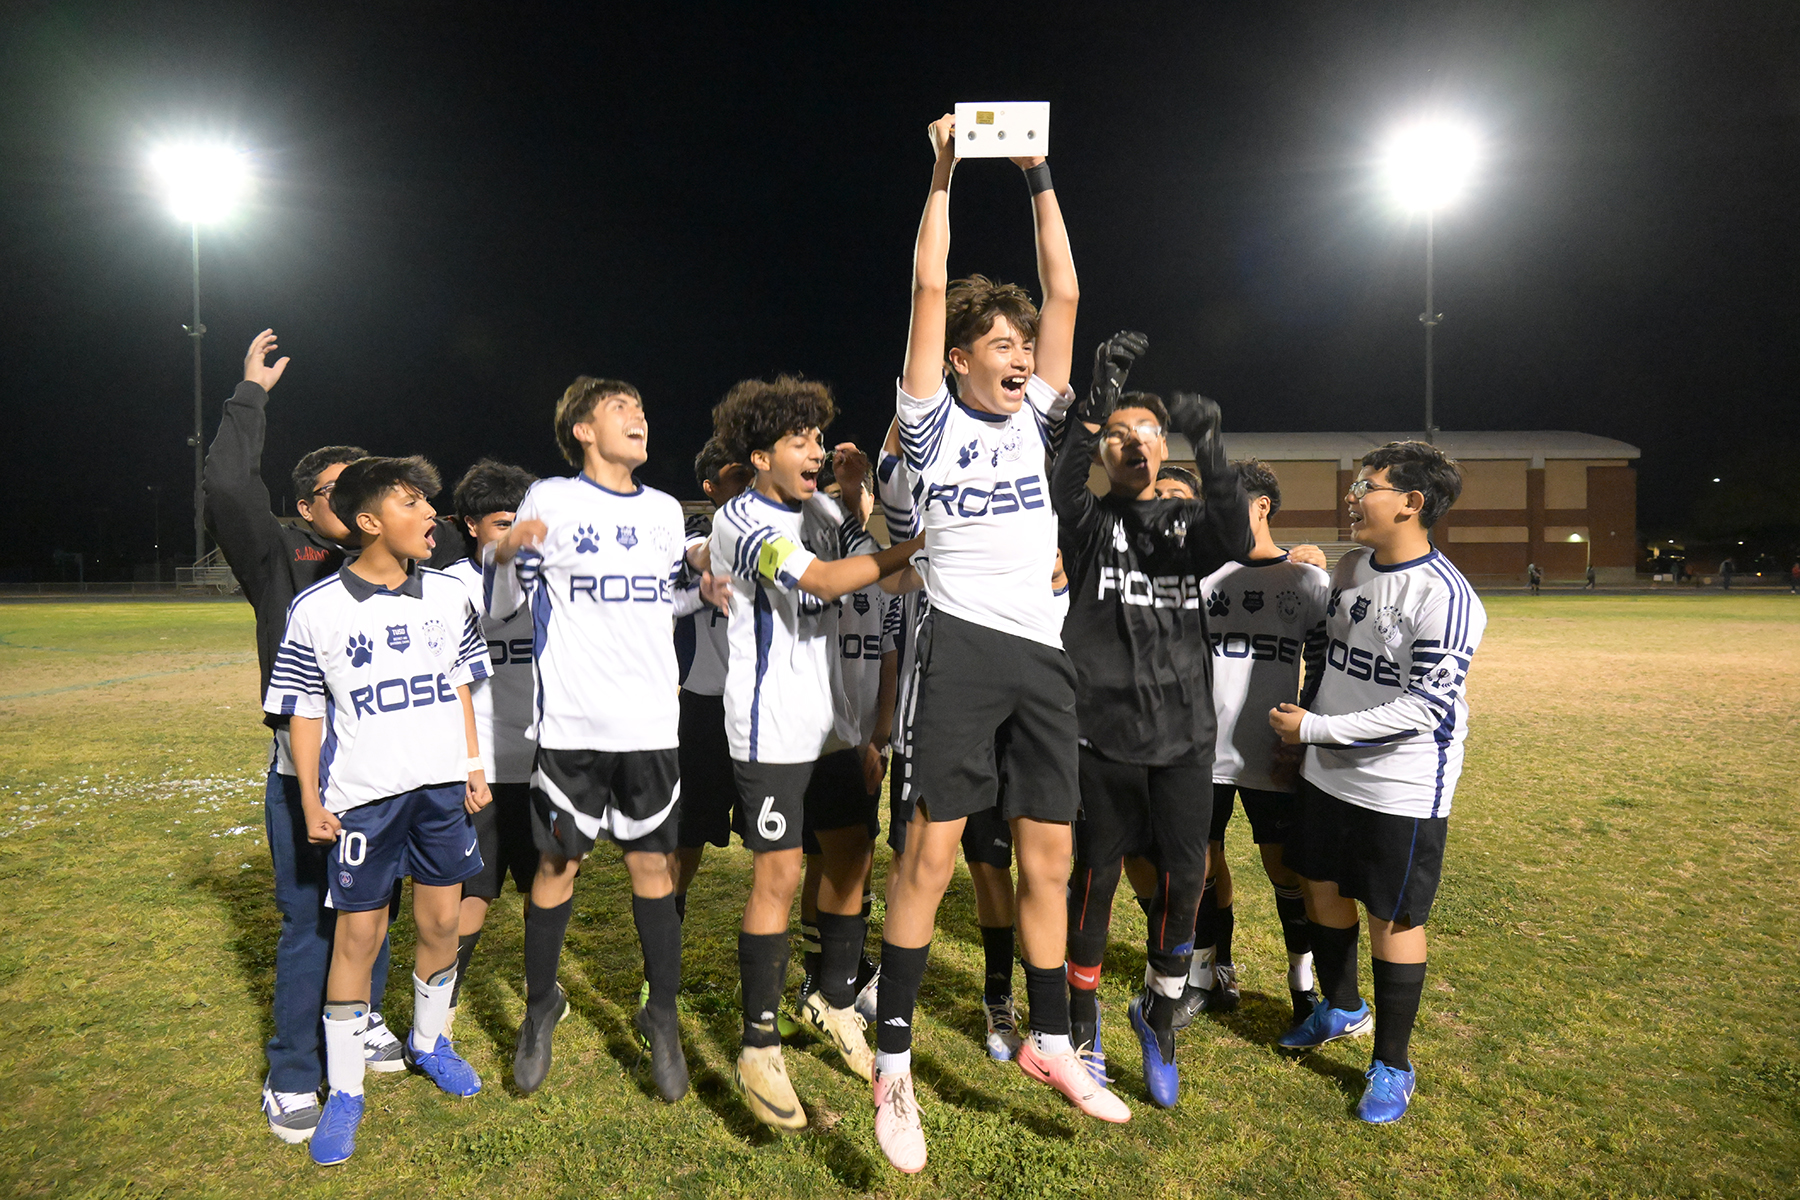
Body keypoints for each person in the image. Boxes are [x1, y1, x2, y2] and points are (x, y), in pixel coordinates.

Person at [874, 111, 1130, 1177]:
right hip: (964, 645)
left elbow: (1065, 292)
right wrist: (942, 171)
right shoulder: (933, 422)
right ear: (963, 360)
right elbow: (929, 290)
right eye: (1003, 346)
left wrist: (1038, 176)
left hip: (1042, 651)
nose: (1022, 356)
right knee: (933, 853)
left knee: (1052, 855)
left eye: (1026, 348)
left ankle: (1051, 1040)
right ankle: (892, 1059)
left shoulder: (1040, 420)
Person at [484, 377, 716, 1102]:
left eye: (643, 408)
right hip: (573, 729)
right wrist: (504, 553)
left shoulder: (661, 512)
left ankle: (662, 1015)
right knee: (557, 871)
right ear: (583, 429)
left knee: (656, 872)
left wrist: (698, 589)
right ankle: (541, 1003)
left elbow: (658, 598)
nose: (639, 416)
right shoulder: (551, 499)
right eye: (622, 408)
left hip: (651, 726)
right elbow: (507, 603)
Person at [204, 329, 409, 1142]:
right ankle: (293, 1068)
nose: (361, 497)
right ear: (306, 508)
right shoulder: (281, 561)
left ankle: (360, 1018)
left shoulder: (403, 565)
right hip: (307, 772)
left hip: (387, 768)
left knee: (374, 908)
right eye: (338, 488)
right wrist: (249, 397)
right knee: (308, 920)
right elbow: (226, 486)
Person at [263, 455, 493, 1166]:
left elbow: (460, 684)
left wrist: (474, 765)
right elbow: (303, 712)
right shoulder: (318, 609)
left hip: (439, 792)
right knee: (356, 941)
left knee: (442, 921)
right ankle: (347, 1092)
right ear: (368, 522)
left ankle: (430, 1042)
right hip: (364, 799)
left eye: (429, 500)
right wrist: (307, 795)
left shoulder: (450, 597)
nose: (430, 512)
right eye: (410, 503)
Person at [706, 375, 921, 1130]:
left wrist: (913, 542)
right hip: (769, 730)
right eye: (801, 441)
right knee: (781, 870)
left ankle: (829, 1000)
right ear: (761, 454)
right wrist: (920, 544)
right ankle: (758, 1043)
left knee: (853, 853)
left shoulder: (823, 509)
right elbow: (829, 580)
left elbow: (885, 567)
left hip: (831, 723)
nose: (817, 451)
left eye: (818, 439)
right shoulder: (744, 522)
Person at [1051, 331, 1252, 1109]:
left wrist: (1213, 445)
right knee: (1096, 881)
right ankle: (1082, 1017)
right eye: (1117, 437)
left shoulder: (1186, 523)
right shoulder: (1091, 522)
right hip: (1104, 738)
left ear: (1165, 445)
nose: (1133, 445)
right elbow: (1064, 481)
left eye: (1147, 433)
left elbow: (1233, 535)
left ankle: (1160, 1012)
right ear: (1103, 452)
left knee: (1185, 881)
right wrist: (1093, 404)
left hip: (1184, 739)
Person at [1268, 440, 1487, 1125]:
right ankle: (1341, 1007)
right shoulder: (1355, 565)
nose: (1353, 495)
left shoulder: (1447, 597)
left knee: (1392, 917)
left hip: (1400, 785)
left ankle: (1392, 1062)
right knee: (1323, 889)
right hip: (1327, 770)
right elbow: (1329, 650)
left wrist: (1314, 732)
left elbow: (1426, 707)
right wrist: (1304, 566)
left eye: (1368, 485)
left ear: (1413, 503)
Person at [1176, 459, 1330, 1033]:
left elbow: (1319, 663)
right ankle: (1205, 974)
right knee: (1201, 864)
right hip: (1203, 751)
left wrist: (1305, 726)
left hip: (1272, 750)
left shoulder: (1307, 581)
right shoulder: (1204, 577)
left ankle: (1303, 986)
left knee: (1284, 869)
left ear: (1261, 506)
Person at [793, 455, 897, 1048]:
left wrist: (877, 739)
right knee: (819, 859)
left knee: (852, 856)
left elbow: (888, 666)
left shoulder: (873, 587)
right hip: (813, 742)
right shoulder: (809, 584)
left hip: (860, 745)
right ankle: (824, 976)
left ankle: (845, 972)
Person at [440, 460, 540, 1035]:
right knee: (473, 891)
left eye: (519, 523)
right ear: (471, 525)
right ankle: (444, 1003)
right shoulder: (450, 587)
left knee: (546, 884)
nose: (511, 536)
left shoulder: (548, 581)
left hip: (542, 761)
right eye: (502, 523)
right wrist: (466, 763)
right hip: (475, 767)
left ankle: (540, 987)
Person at [672, 439, 754, 916]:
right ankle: (665, 945)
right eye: (735, 474)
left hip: (760, 708)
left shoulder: (777, 533)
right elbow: (694, 551)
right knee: (688, 835)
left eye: (751, 472)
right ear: (710, 486)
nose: (747, 482)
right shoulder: (699, 533)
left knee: (772, 836)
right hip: (704, 708)